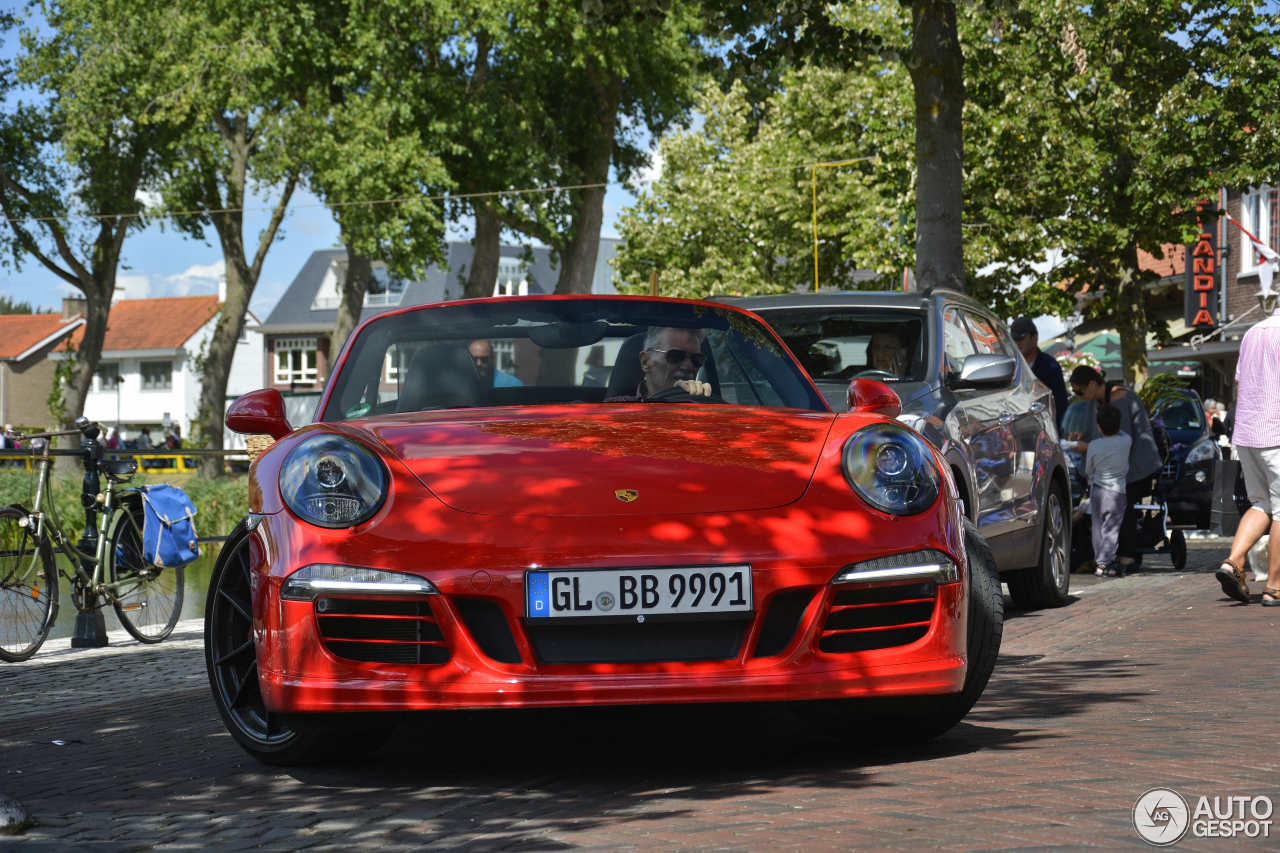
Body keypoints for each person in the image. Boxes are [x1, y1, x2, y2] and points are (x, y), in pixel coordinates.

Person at [1214, 292, 1280, 607]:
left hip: (1248, 432)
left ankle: (1234, 561)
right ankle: (1275, 586)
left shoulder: (1253, 332)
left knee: (1260, 503)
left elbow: (1239, 382)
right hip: (1276, 432)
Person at [1067, 365, 1163, 572]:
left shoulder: (1121, 398)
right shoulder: (1096, 401)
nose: (1078, 396)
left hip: (1136, 469)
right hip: (1115, 469)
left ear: (1092, 384)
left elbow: (1117, 442)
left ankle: (1126, 557)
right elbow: (1102, 435)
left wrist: (1089, 447)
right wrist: (1082, 437)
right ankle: (1099, 555)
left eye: (1079, 391)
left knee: (1122, 503)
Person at [1085, 404, 1131, 577]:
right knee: (1112, 529)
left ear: (1098, 426)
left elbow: (1088, 470)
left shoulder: (1094, 445)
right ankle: (1105, 562)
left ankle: (1099, 562)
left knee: (1097, 528)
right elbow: (1124, 433)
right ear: (1119, 425)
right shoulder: (1126, 441)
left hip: (1097, 491)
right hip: (1117, 492)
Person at [1010, 316, 1069, 432]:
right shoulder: (1012, 367)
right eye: (1014, 339)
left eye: (1021, 338)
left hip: (1046, 431)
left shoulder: (1050, 366)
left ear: (1035, 338)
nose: (1017, 343)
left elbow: (1060, 404)